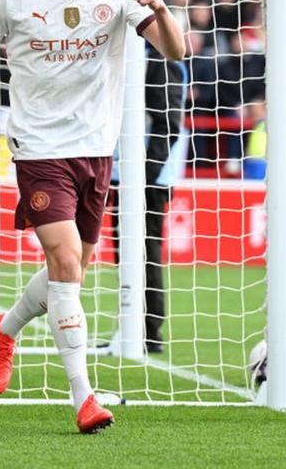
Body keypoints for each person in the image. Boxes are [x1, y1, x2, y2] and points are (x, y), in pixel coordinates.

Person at [0, 0, 185, 433]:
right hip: (38, 149)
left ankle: (6, 328)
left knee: (72, 272)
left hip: (96, 149)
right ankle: (84, 397)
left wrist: (162, 7)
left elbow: (177, 51)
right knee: (63, 262)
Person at [108, 47, 188, 354]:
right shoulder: (130, 55)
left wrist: (147, 172)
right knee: (126, 249)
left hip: (150, 176)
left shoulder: (159, 60)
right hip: (126, 172)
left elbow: (168, 124)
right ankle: (132, 325)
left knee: (145, 248)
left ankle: (150, 330)